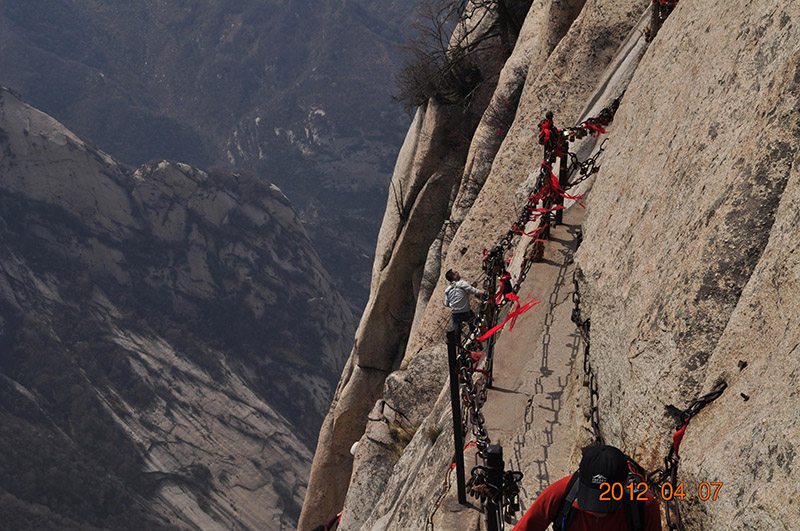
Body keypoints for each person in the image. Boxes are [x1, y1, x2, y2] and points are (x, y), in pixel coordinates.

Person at [513, 445, 662, 531]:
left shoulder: (643, 504)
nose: (598, 511)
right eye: (593, 497)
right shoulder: (562, 493)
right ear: (580, 478)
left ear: (626, 482)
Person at [444, 269, 485, 336]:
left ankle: (458, 341)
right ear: (454, 276)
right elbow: (474, 291)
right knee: (473, 323)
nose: (458, 272)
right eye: (456, 272)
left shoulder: (447, 290)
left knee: (456, 332)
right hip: (466, 312)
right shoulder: (462, 283)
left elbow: (446, 304)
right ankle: (475, 334)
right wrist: (483, 292)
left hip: (455, 314)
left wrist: (454, 305)